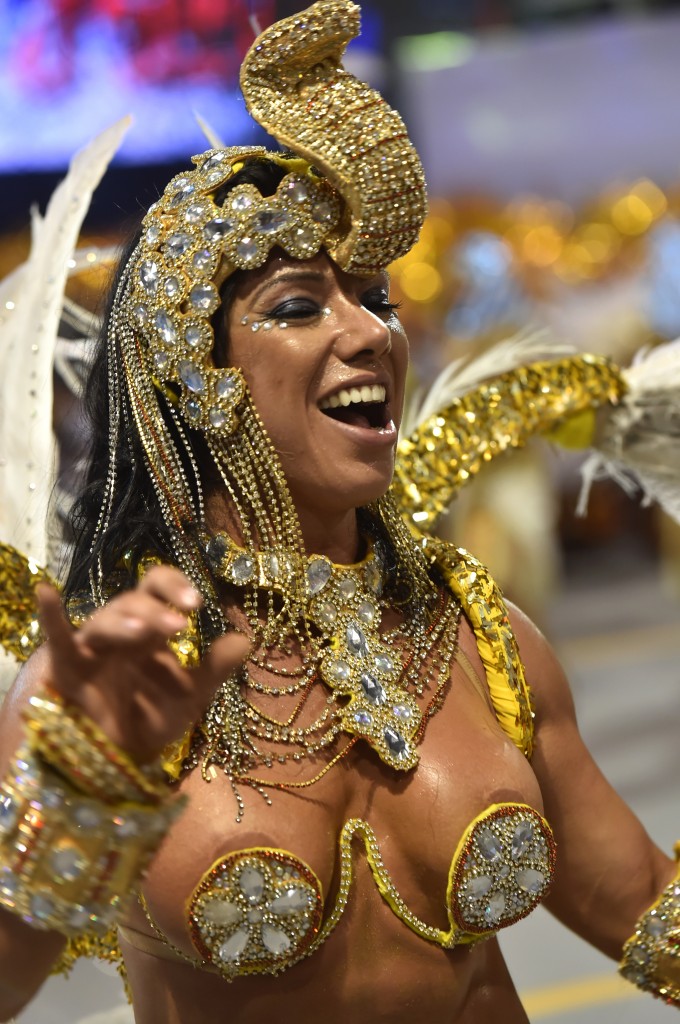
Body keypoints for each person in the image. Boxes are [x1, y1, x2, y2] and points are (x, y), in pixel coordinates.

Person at [0, 2, 678, 1022]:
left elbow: (640, 907)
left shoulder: (472, 633)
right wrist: (88, 787)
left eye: (377, 300)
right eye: (298, 303)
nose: (369, 332)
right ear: (201, 379)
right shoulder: (109, 676)